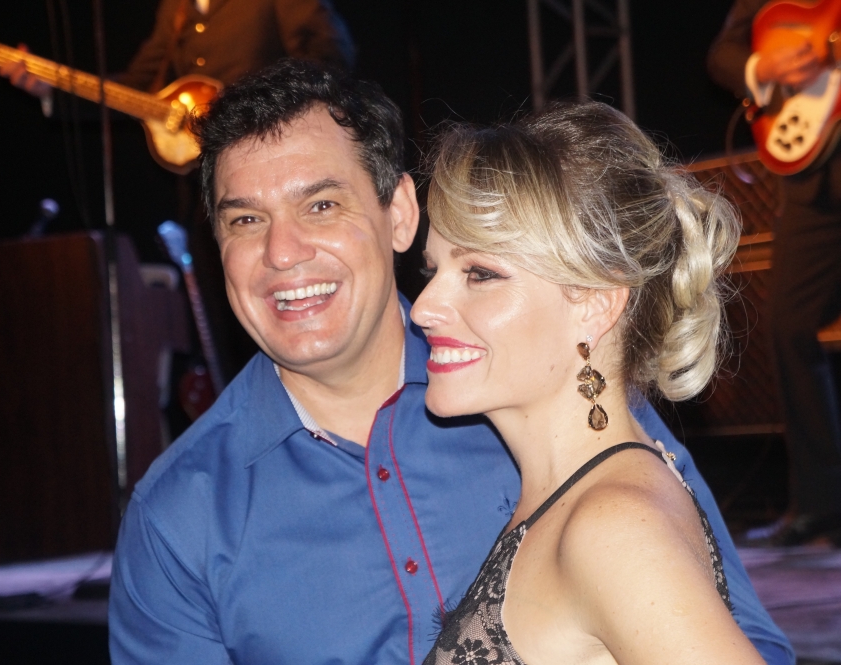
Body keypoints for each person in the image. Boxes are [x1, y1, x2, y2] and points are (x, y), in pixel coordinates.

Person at [107, 60, 793, 664]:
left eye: (321, 204)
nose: (282, 252)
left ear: (400, 213)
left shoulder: (564, 405)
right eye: (245, 220)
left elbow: (742, 635)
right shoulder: (180, 515)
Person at [414, 102, 767, 665]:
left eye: (479, 273)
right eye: (433, 271)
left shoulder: (613, 527)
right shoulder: (582, 497)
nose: (424, 308)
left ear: (596, 305)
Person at [0, 0, 355, 379]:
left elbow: (328, 56)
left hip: (278, 180)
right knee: (224, 318)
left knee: (281, 296)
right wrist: (51, 87)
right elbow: (139, 86)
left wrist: (254, 114)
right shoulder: (177, 8)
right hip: (205, 195)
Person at [708, 0, 841, 546]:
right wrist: (764, 66)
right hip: (812, 177)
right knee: (787, 326)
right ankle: (820, 504)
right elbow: (724, 51)